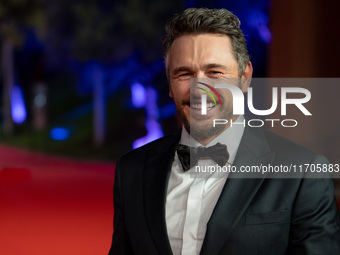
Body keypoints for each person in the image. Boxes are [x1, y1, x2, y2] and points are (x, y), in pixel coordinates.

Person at [108, 8, 340, 255]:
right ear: (170, 84)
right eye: (184, 74)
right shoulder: (131, 170)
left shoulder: (303, 173)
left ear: (245, 78)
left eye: (215, 72)